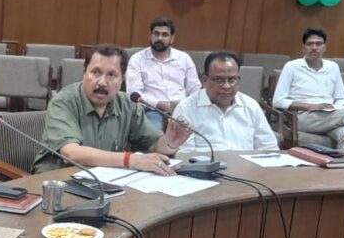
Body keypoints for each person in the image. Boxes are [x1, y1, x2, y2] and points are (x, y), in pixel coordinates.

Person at [33, 44, 191, 175]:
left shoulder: (128, 105)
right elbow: (72, 153)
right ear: (84, 73)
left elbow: (154, 144)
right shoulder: (63, 101)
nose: (102, 82)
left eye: (111, 75)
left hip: (104, 181)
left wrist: (170, 142)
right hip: (57, 181)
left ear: (122, 80)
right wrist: (130, 160)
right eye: (95, 72)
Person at [172, 51, 279, 152]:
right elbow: (183, 153)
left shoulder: (251, 106)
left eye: (232, 80)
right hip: (205, 164)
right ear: (204, 80)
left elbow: (269, 148)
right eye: (219, 80)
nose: (227, 86)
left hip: (245, 164)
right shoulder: (187, 108)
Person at [272, 27, 344, 148]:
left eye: (318, 44)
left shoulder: (333, 67)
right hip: (303, 118)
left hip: (329, 116)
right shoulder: (291, 67)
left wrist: (334, 107)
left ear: (324, 47)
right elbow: (278, 101)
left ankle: (342, 161)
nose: (314, 47)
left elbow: (343, 99)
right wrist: (310, 106)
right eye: (310, 44)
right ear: (303, 48)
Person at [124, 17, 202, 128]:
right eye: (156, 34)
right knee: (154, 135)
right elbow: (133, 93)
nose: (159, 38)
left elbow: (195, 89)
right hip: (152, 111)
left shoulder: (184, 58)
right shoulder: (137, 59)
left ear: (172, 39)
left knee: (197, 132)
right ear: (150, 36)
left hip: (182, 110)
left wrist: (184, 106)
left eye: (165, 35)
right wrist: (160, 105)